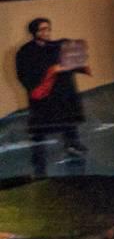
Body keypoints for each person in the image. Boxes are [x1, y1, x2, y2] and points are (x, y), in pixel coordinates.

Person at [14, 18, 87, 175]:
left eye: (48, 29)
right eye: (42, 29)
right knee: (40, 127)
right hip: (44, 95)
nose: (46, 32)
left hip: (62, 93)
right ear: (34, 32)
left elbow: (72, 61)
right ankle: (38, 160)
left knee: (68, 120)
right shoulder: (25, 52)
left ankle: (73, 145)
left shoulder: (56, 46)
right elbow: (24, 74)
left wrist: (69, 64)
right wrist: (50, 72)